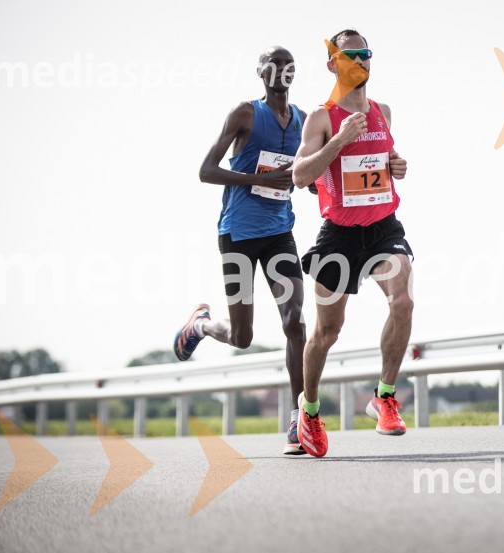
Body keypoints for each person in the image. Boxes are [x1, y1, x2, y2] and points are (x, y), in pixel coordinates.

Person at [173, 46, 310, 455]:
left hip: (279, 232)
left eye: (288, 65)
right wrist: (256, 179)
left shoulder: (303, 120)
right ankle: (201, 325)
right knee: (242, 336)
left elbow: (307, 178)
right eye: (273, 64)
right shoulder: (245, 114)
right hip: (238, 234)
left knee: (295, 320)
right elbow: (206, 171)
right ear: (260, 72)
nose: (281, 70)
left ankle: (299, 418)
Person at [292, 29, 412, 457]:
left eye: (365, 54)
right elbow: (300, 176)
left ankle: (385, 396)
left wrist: (396, 165)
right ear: (333, 64)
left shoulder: (383, 111)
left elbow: (382, 163)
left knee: (402, 301)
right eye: (350, 55)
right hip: (339, 235)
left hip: (383, 228)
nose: (359, 61)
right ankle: (308, 411)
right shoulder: (321, 118)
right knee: (327, 332)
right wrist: (340, 140)